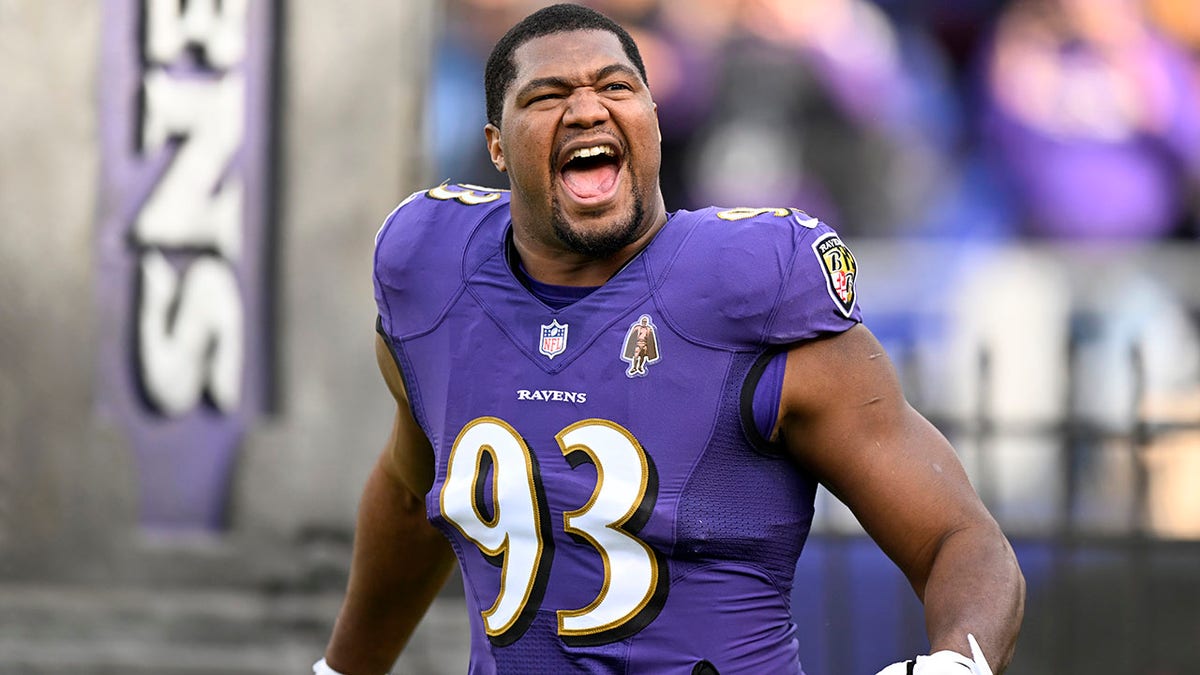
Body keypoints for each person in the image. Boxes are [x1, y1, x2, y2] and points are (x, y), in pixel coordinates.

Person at [316, 4, 1024, 674]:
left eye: (616, 86)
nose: (587, 107)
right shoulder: (435, 274)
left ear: (653, 120)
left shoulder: (751, 286)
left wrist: (954, 664)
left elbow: (957, 538)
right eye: (547, 94)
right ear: (496, 149)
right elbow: (414, 491)